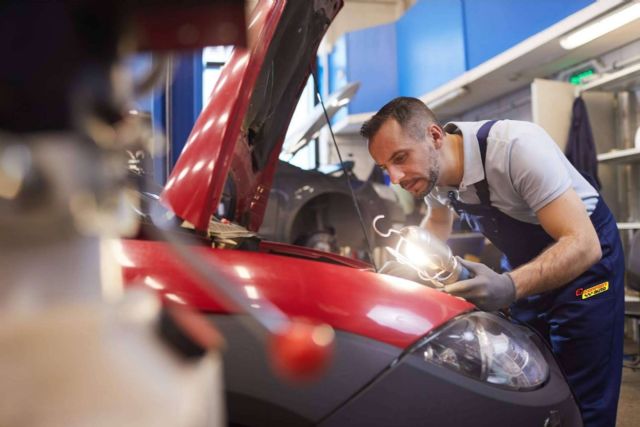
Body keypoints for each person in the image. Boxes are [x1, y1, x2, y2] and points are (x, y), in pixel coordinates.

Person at [361, 97, 624, 427]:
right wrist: (412, 269)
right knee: (529, 376)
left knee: (584, 393)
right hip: (524, 266)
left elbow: (584, 245)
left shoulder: (516, 148)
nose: (396, 177)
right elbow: (439, 221)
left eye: (400, 158)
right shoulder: (431, 174)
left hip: (586, 262)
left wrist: (510, 285)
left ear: (435, 136)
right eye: (386, 168)